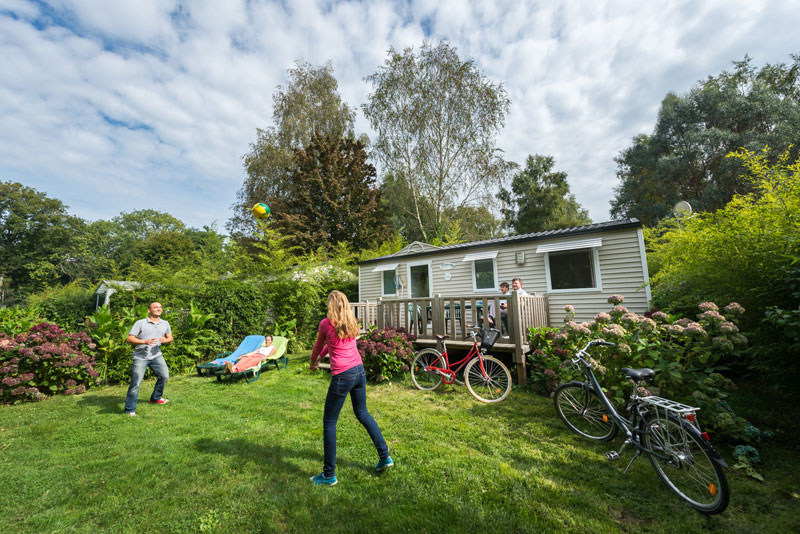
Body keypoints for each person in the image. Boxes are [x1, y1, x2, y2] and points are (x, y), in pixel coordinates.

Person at [308, 290, 392, 486]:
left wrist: (313, 360)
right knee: (363, 413)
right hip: (359, 371)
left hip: (343, 375)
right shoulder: (351, 321)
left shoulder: (325, 323)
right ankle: (385, 456)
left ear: (331, 306)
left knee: (329, 422)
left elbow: (318, 344)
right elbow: (329, 344)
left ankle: (328, 475)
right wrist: (320, 356)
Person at [124, 302, 173, 416]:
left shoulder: (165, 323)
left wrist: (165, 340)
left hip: (156, 355)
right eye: (155, 307)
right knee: (136, 383)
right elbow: (129, 339)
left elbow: (170, 337)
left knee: (164, 376)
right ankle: (129, 409)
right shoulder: (140, 323)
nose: (159, 309)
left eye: (160, 307)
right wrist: (144, 342)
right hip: (140, 357)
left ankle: (155, 398)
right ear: (149, 310)